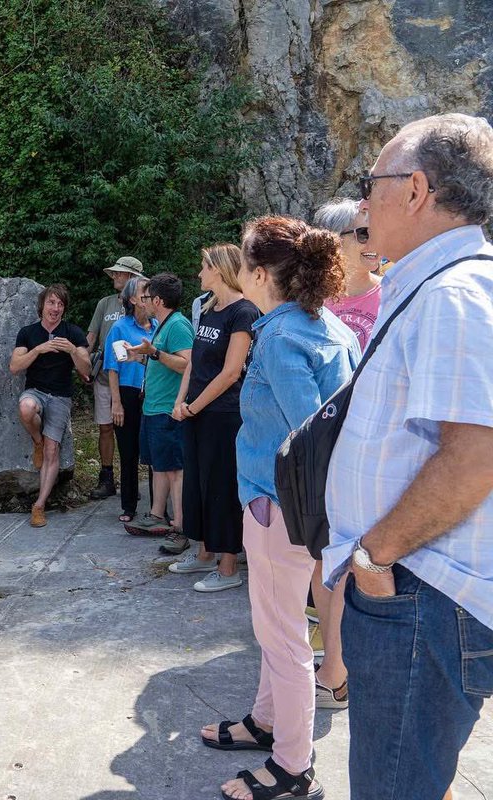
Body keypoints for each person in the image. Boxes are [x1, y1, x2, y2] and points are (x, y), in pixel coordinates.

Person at [323, 113, 493, 800]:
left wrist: (373, 558)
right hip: (416, 590)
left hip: (419, 592)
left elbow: (477, 456)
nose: (364, 203)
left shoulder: (454, 294)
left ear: (417, 190)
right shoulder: (437, 287)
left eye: (373, 184)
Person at [201, 215, 358, 800]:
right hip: (302, 512)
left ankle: (293, 766)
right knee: (278, 632)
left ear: (260, 273)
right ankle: (266, 722)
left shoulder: (281, 338)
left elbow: (310, 435)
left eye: (242, 263)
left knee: (286, 639)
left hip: (278, 508)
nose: (237, 271)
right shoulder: (328, 327)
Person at [304, 197, 384, 709]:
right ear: (333, 243)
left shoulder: (392, 296)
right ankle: (329, 650)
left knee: (355, 558)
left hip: (369, 449)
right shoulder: (318, 305)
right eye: (359, 234)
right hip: (320, 450)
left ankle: (336, 670)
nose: (372, 242)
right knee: (320, 553)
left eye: (373, 231)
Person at [168, 245, 259, 593]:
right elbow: (194, 362)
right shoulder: (209, 306)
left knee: (222, 486)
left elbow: (231, 372)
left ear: (219, 270)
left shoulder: (244, 312)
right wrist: (181, 402)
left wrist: (195, 407)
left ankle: (228, 565)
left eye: (203, 266)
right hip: (196, 411)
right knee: (199, 484)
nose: (199, 272)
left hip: (224, 415)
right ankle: (204, 552)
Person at [10, 284, 92, 528]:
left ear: (63, 309)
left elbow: (86, 371)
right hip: (35, 391)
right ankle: (37, 439)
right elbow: (15, 367)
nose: (55, 308)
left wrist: (73, 352)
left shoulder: (73, 333)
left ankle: (39, 505)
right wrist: (39, 349)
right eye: (51, 303)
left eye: (60, 304)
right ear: (42, 305)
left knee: (52, 451)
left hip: (60, 396)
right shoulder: (28, 332)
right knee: (26, 408)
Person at [123, 273, 193, 537]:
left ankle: (181, 525)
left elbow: (186, 363)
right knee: (159, 465)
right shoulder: (162, 325)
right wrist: (140, 357)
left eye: (147, 298)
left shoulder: (177, 325)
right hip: (153, 407)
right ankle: (156, 515)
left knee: (174, 468)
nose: (144, 302)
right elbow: (163, 362)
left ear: (159, 300)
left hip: (168, 409)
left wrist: (153, 353)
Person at [86, 256, 147, 501]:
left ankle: (131, 480)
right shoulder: (105, 303)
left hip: (136, 377)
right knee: (105, 425)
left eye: (120, 273)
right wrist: (83, 364)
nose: (115, 277)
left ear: (132, 277)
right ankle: (107, 476)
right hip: (105, 374)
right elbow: (91, 337)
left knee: (135, 430)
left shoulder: (144, 304)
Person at [104, 277, 152, 525]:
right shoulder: (120, 328)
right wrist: (116, 403)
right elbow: (112, 367)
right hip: (127, 392)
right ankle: (129, 505)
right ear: (133, 299)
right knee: (129, 452)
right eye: (146, 292)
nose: (151, 295)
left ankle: (158, 508)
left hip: (153, 394)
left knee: (153, 452)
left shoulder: (158, 326)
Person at [314, 198, 382, 350]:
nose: (376, 243)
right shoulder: (310, 298)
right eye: (365, 234)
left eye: (379, 233)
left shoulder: (394, 293)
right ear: (334, 240)